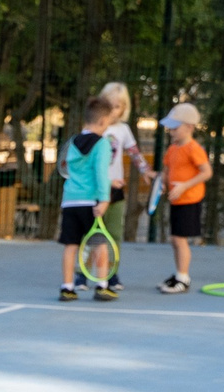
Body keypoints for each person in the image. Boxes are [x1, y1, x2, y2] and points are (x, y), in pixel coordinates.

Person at [93, 82, 158, 291]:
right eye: (109, 105)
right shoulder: (94, 128)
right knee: (91, 234)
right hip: (94, 189)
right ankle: (81, 274)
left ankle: (111, 274)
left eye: (118, 106)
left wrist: (146, 171)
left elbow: (134, 153)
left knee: (113, 234)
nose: (113, 110)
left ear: (124, 108)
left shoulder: (123, 130)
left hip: (116, 190)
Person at [57, 94, 119, 301]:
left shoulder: (73, 142)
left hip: (70, 201)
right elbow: (101, 173)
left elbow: (67, 168)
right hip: (90, 201)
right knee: (99, 244)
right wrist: (104, 199)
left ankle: (67, 287)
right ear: (102, 121)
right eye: (108, 122)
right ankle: (102, 286)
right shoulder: (102, 144)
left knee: (70, 245)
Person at [157, 102, 210, 294]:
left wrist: (185, 186)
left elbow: (206, 172)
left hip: (190, 201)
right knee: (174, 239)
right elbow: (166, 170)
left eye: (175, 128)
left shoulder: (193, 148)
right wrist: (162, 183)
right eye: (170, 128)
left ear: (189, 127)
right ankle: (179, 274)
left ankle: (183, 278)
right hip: (176, 201)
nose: (171, 132)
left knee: (180, 240)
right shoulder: (172, 149)